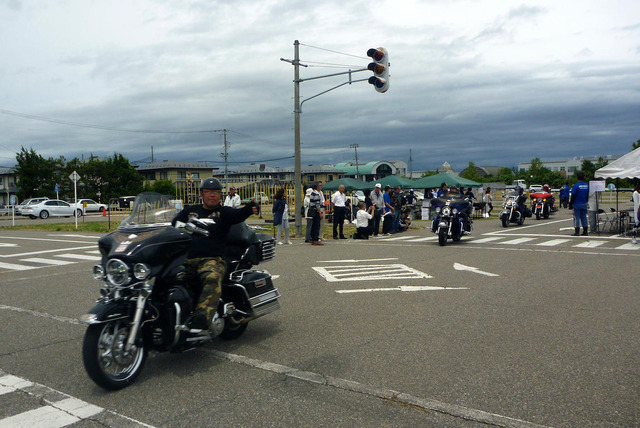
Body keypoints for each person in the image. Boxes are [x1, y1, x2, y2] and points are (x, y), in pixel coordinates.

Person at [172, 177, 258, 331]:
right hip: (186, 260)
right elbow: (173, 225)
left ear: (220, 195)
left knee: (212, 278)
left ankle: (201, 319)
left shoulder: (224, 212)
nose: (212, 195)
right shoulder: (190, 211)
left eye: (216, 192)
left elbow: (239, 214)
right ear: (202, 194)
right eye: (208, 192)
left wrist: (251, 206)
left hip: (211, 260)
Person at [569, 171, 589, 236]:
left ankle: (577, 231)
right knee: (584, 217)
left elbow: (573, 195)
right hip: (584, 203)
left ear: (577, 177)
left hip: (577, 203)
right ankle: (585, 231)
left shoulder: (575, 186)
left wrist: (570, 203)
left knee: (576, 217)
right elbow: (588, 195)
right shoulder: (587, 186)